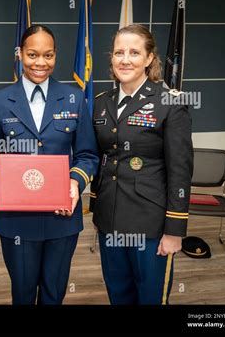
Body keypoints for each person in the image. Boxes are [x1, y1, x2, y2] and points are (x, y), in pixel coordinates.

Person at [0, 24, 98, 305]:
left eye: (48, 55)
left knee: (54, 292)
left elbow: (87, 154)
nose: (40, 63)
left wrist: (75, 182)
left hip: (62, 217)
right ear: (20, 54)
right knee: (22, 293)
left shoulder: (75, 98)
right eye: (32, 54)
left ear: (56, 56)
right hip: (18, 221)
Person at [89, 24, 193, 305]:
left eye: (135, 52)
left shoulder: (170, 103)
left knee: (151, 298)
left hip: (151, 226)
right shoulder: (101, 103)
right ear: (111, 58)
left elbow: (180, 173)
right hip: (110, 222)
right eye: (119, 52)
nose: (125, 59)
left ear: (149, 59)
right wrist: (96, 208)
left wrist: (174, 231)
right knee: (119, 295)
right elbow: (103, 159)